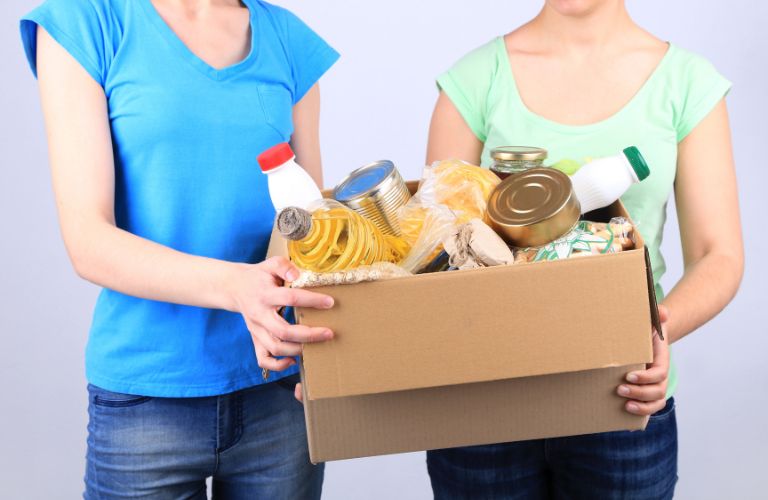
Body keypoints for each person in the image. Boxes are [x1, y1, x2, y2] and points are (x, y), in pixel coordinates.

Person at [20, 0, 338, 497]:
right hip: (146, 399)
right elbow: (88, 241)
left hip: (280, 389)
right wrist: (237, 287)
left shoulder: (288, 38)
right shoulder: (87, 24)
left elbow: (310, 230)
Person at [425, 0, 743, 498]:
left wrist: (656, 333)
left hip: (622, 394)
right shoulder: (476, 79)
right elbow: (435, 247)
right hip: (483, 402)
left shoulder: (686, 83)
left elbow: (717, 254)